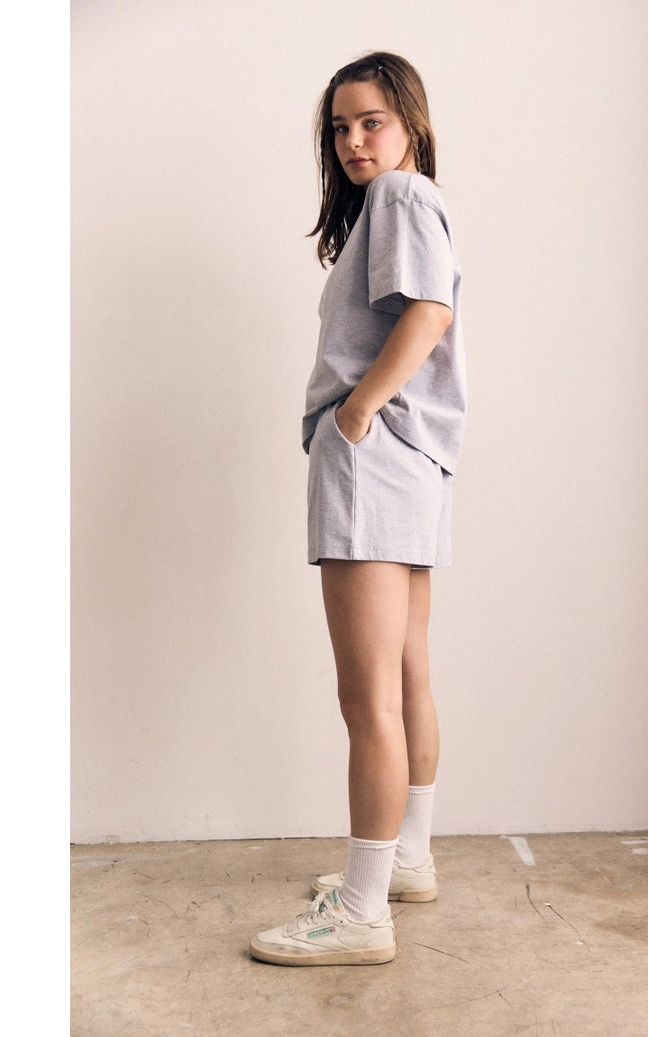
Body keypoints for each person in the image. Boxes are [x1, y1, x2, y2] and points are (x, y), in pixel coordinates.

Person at [248, 52, 466, 967]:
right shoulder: (402, 201)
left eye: (370, 121)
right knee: (406, 674)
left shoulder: (401, 196)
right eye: (339, 127)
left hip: (373, 461)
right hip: (412, 465)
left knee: (365, 693)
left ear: (409, 122)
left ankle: (362, 911)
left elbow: (428, 312)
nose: (352, 140)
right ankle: (406, 857)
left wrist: (357, 409)